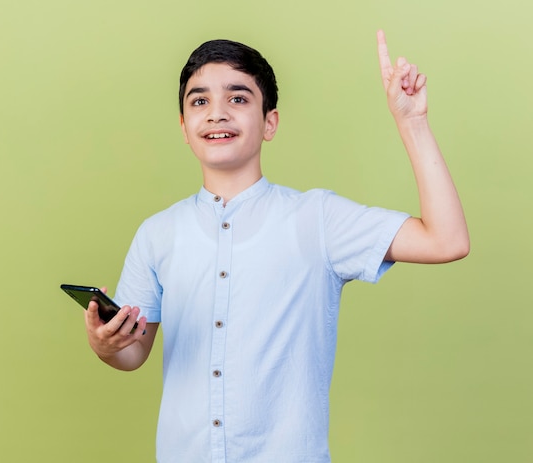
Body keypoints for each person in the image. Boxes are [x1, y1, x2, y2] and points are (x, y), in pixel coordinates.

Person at [83, 30, 469, 463]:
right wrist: (106, 344)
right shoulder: (156, 233)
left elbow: (447, 240)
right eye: (199, 101)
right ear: (184, 128)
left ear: (270, 122)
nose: (217, 114)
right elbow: (133, 353)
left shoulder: (318, 219)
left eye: (238, 98)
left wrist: (412, 123)